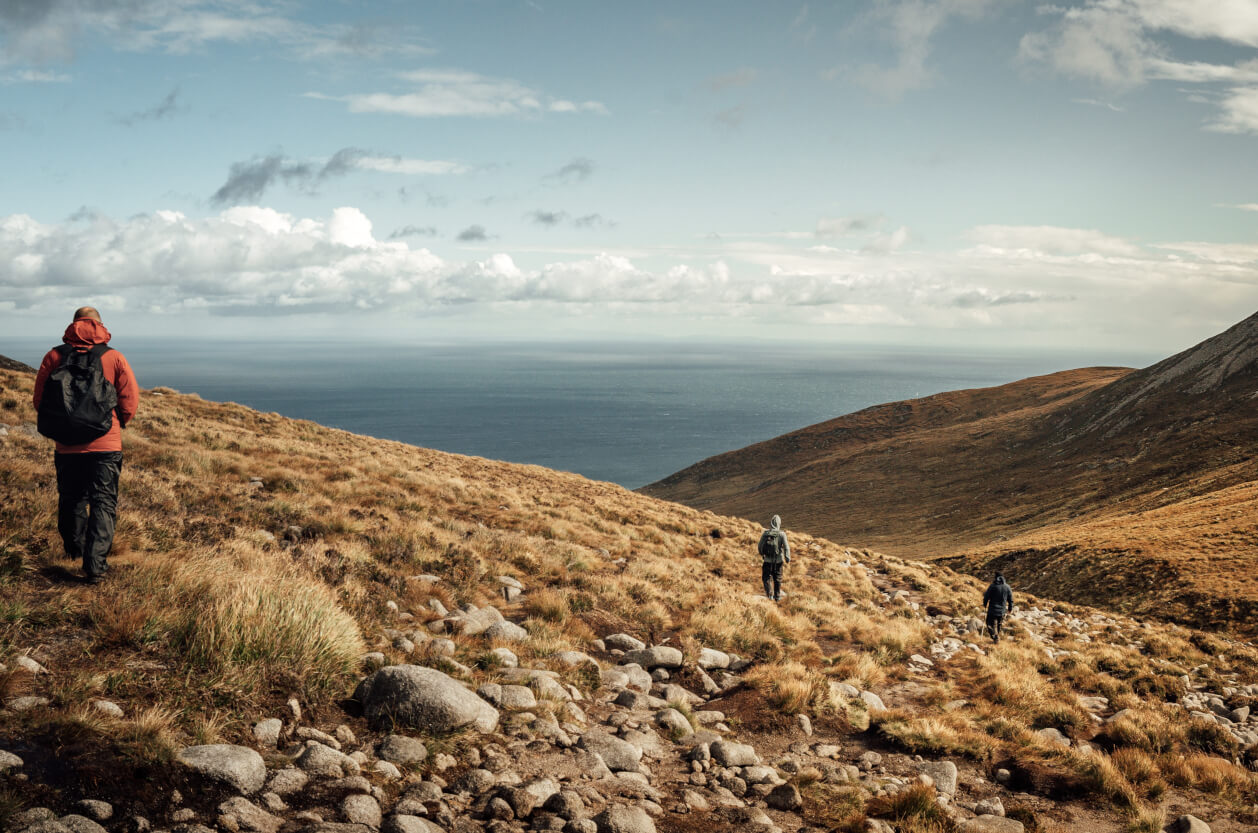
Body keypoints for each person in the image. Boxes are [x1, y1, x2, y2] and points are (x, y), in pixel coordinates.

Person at [33, 307, 139, 584]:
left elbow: (40, 401)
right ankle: (94, 568)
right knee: (103, 502)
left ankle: (73, 553)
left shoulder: (54, 356)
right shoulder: (113, 357)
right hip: (106, 445)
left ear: (73, 325)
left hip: (66, 445)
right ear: (100, 325)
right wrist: (118, 423)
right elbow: (129, 400)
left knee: (71, 499)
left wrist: (63, 426)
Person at [758, 514, 791, 601]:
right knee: (778, 579)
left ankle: (770, 595)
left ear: (771, 523)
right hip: (778, 561)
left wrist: (762, 554)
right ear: (779, 523)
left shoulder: (765, 533)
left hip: (767, 561)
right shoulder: (782, 534)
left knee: (766, 578)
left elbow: (759, 546)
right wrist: (787, 558)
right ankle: (777, 597)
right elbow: (786, 547)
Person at [982, 572, 1014, 642]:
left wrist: (984, 604)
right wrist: (1010, 608)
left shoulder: (992, 586)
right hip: (1002, 611)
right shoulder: (1007, 587)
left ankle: (995, 637)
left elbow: (986, 596)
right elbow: (1011, 599)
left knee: (990, 624)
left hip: (992, 610)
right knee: (999, 624)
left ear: (996, 578)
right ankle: (996, 637)